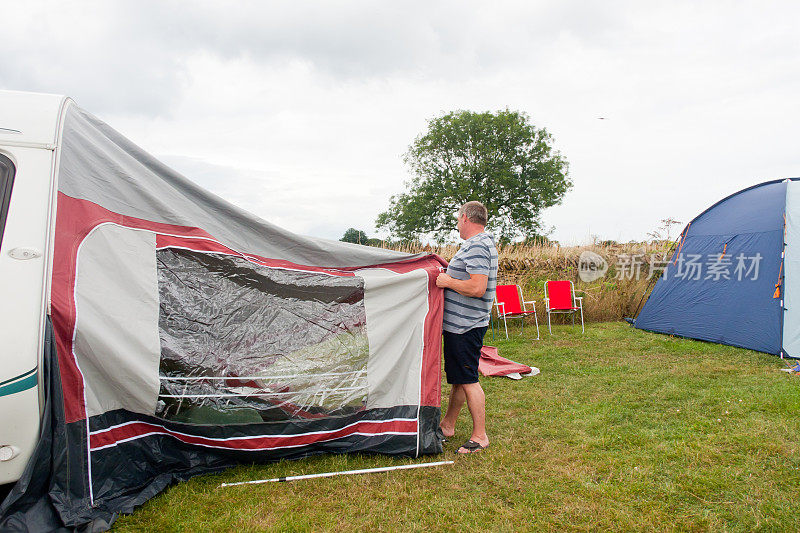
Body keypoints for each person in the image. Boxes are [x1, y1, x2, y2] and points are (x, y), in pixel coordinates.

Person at [435, 201, 498, 454]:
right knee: (459, 380)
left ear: (465, 218)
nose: (457, 224)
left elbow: (477, 287)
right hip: (461, 325)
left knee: (469, 379)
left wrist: (448, 280)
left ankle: (480, 436)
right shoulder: (478, 245)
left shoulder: (477, 246)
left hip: (465, 326)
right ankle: (448, 425)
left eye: (458, 219)